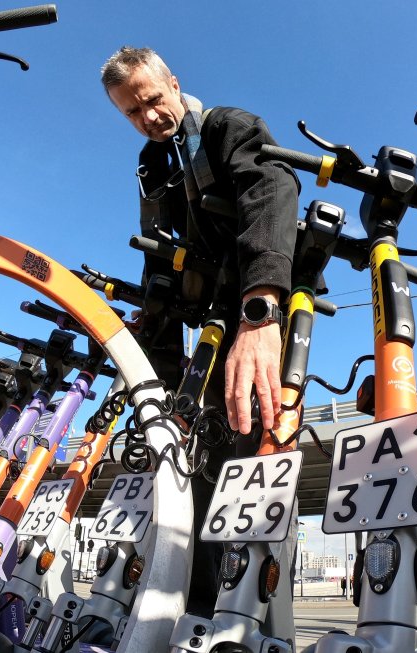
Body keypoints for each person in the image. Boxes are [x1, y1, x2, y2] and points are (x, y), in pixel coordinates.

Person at [100, 46, 300, 616]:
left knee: (250, 444)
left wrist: (261, 315)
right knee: (197, 465)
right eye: (132, 113)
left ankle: (252, 616)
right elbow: (159, 269)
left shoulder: (226, 128)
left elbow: (271, 189)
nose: (149, 117)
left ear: (173, 83)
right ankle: (195, 614)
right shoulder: (153, 168)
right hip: (206, 328)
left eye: (153, 100)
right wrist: (153, 388)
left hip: (253, 310)